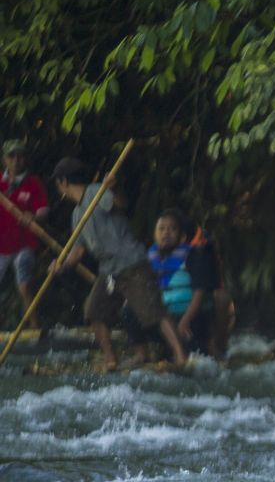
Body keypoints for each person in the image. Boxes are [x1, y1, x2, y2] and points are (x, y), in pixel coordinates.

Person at [49, 157, 186, 369]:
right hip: (109, 271)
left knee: (153, 311)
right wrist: (62, 265)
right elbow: (78, 251)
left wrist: (114, 187)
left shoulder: (96, 191)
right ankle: (112, 359)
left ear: (63, 182)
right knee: (94, 312)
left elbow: (121, 203)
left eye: (58, 183)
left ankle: (181, 356)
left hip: (131, 263)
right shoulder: (77, 215)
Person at [128, 209, 217, 361]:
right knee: (129, 310)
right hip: (161, 317)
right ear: (155, 235)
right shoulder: (148, 257)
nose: (166, 233)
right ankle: (142, 353)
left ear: (182, 237)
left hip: (189, 318)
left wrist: (185, 322)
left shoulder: (194, 256)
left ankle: (206, 349)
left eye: (172, 229)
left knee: (195, 355)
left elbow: (199, 293)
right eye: (161, 229)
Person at [0, 140, 49, 327]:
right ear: (4, 159)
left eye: (20, 156)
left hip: (24, 243)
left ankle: (34, 326)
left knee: (25, 285)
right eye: (12, 156)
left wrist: (34, 216)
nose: (16, 160)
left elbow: (44, 209)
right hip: (1, 245)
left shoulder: (33, 183)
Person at [189, 224, 235, 360]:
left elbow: (218, 288)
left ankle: (217, 345)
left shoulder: (211, 258)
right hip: (183, 305)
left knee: (222, 298)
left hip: (207, 306)